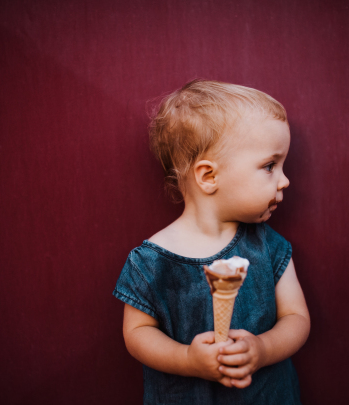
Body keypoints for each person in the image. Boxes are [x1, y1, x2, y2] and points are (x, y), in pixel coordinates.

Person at [113, 79, 310, 404]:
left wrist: (262, 349)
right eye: (270, 166)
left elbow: (296, 318)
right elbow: (136, 334)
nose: (285, 180)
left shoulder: (266, 245)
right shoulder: (150, 262)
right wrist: (186, 359)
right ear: (208, 176)